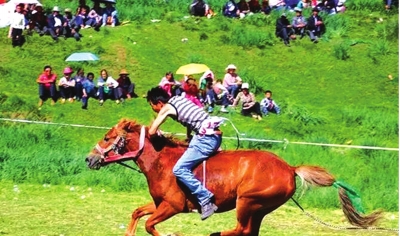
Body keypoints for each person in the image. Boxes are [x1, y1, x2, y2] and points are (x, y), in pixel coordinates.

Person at [146, 86, 224, 220]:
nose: (153, 109)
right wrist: (189, 136)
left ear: (159, 103)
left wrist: (154, 135)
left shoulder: (166, 108)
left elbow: (152, 132)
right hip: (211, 135)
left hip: (206, 139)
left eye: (152, 105)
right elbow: (191, 118)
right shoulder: (179, 99)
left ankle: (205, 199)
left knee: (179, 169)